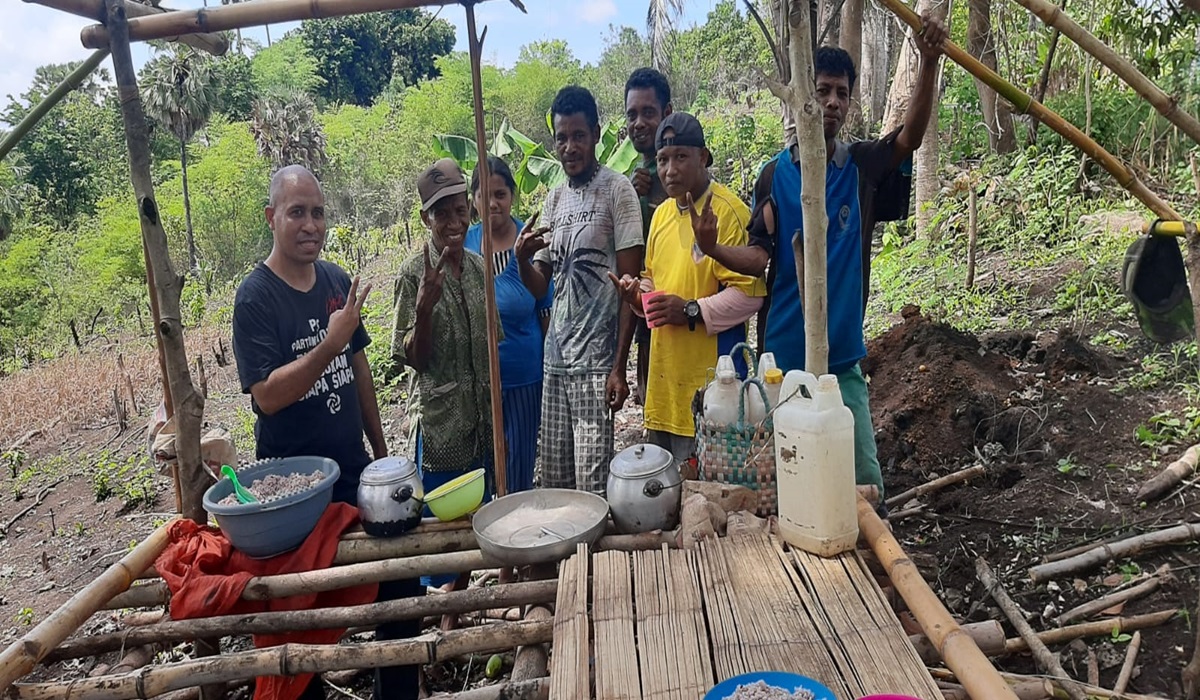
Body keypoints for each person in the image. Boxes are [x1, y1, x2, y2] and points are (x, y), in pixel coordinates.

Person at [694, 20, 949, 500]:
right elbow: (758, 258)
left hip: (842, 355)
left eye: (842, 94)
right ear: (802, 98)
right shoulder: (774, 175)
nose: (832, 102)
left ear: (850, 104)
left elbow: (910, 138)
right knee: (784, 476)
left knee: (861, 480)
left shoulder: (861, 166)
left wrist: (929, 61)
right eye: (823, 90)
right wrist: (712, 251)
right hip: (780, 358)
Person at [232, 165, 418, 700]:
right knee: (298, 610)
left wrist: (382, 459)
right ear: (272, 218)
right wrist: (328, 345)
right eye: (297, 212)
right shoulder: (256, 298)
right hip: (292, 492)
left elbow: (360, 374)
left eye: (317, 212)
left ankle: (399, 689)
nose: (310, 224)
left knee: (400, 580)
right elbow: (266, 395)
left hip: (352, 474)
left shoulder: (337, 282)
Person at [611, 113, 765, 462]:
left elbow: (750, 295)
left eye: (681, 157)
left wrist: (692, 311)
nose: (670, 170)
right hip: (665, 391)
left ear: (703, 158)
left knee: (710, 498)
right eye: (663, 159)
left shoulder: (729, 213)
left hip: (714, 391)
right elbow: (654, 278)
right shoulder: (662, 214)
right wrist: (638, 294)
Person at [516, 85, 643, 495]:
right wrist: (521, 258)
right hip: (555, 361)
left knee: (591, 485)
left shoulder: (617, 190)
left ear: (595, 134)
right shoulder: (554, 199)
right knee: (555, 481)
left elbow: (629, 288)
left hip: (596, 364)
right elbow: (541, 284)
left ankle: (590, 561)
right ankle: (560, 560)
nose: (569, 147)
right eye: (561, 138)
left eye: (578, 136)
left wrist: (619, 366)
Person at [391, 158, 497, 622]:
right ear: (425, 219)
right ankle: (432, 617)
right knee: (439, 529)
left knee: (477, 519)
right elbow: (413, 359)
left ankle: (453, 612)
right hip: (442, 428)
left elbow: (492, 344)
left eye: (460, 211)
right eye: (442, 214)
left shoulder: (478, 269)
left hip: (482, 422)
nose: (454, 223)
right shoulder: (413, 276)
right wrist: (424, 311)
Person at [465, 157, 551, 494]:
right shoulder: (466, 244)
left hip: (524, 378)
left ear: (512, 196)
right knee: (484, 463)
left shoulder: (528, 243)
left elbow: (544, 308)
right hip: (479, 382)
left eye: (500, 194)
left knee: (518, 464)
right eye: (483, 195)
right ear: (472, 200)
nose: (492, 204)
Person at [624, 67, 673, 405]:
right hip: (645, 310)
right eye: (632, 114)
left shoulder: (683, 170)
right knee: (651, 399)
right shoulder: (629, 180)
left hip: (685, 308)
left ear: (667, 114)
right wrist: (632, 194)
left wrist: (661, 192)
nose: (638, 123)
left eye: (648, 113)